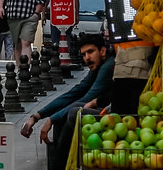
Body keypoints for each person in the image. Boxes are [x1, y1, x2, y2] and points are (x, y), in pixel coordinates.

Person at [20, 33, 114, 170]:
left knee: (73, 112)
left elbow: (86, 98)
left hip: (113, 114)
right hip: (103, 112)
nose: (87, 58)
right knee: (64, 116)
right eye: (83, 54)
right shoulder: (97, 67)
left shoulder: (107, 67)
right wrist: (38, 116)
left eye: (90, 52)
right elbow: (74, 93)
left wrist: (51, 119)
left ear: (103, 51)